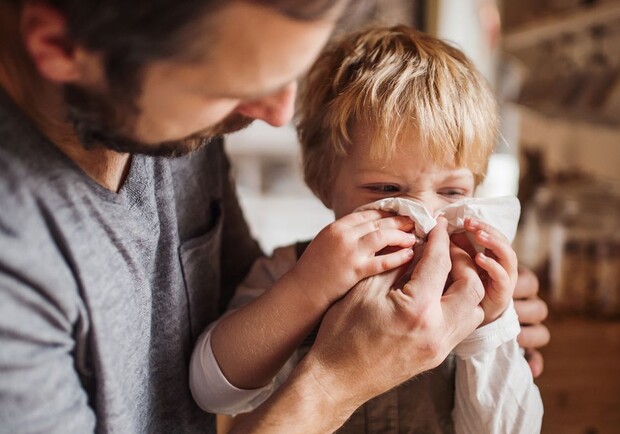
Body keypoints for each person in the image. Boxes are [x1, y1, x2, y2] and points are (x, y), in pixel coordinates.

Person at [0, 1, 549, 433]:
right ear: (60, 48)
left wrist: (494, 326)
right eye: (231, 84)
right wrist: (336, 369)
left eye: (452, 190)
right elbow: (213, 382)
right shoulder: (17, 270)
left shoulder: (179, 129)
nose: (278, 115)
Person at [190, 25, 543, 433]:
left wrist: (492, 324)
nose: (424, 217)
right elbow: (211, 392)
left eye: (451, 191)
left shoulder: (472, 290)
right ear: (324, 182)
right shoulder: (289, 271)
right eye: (387, 190)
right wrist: (307, 288)